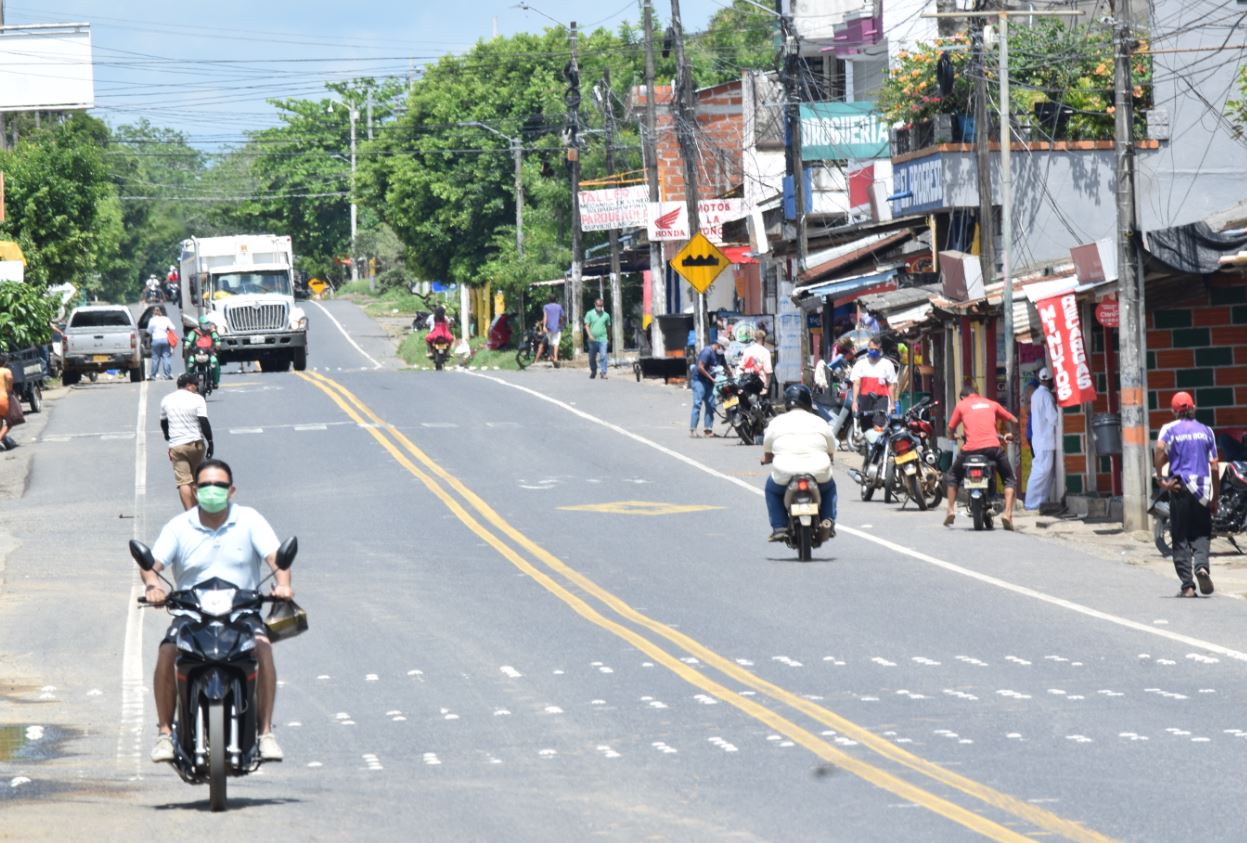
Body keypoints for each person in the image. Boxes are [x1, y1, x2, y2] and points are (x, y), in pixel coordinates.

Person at [142, 459, 292, 763]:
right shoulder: (179, 526)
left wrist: (283, 585)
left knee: (263, 650)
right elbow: (151, 566)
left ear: (231, 490)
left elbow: (278, 560)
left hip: (241, 613)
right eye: (206, 486)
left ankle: (265, 733)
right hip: (191, 614)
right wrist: (152, 588)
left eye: (219, 486)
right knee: (167, 653)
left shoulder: (249, 520)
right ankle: (164, 734)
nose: (212, 491)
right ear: (195, 490)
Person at [1156, 392, 1220, 597]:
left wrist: (1161, 479)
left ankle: (1188, 586)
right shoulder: (1206, 431)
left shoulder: (1170, 430)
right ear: (1194, 408)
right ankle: (1201, 566)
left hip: (1179, 486)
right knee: (1202, 532)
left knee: (1180, 535)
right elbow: (1215, 467)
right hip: (1202, 488)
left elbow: (1159, 451)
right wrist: (1214, 497)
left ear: (1174, 411)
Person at [761, 384, 837, 543]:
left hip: (785, 472)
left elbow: (767, 446)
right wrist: (829, 456)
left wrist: (767, 458)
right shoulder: (820, 421)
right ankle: (828, 519)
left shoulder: (777, 422)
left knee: (772, 490)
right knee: (829, 488)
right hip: (819, 470)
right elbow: (831, 446)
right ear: (808, 402)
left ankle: (779, 527)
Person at [943, 384, 1020, 530]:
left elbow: (950, 428)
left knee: (953, 475)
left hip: (970, 450)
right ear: (977, 394)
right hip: (993, 448)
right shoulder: (992, 404)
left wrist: (952, 436)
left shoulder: (961, 405)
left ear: (963, 397)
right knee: (1009, 479)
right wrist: (1012, 434)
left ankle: (950, 510)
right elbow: (1014, 420)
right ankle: (1007, 514)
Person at [161, 373, 214, 510]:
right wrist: (210, 442)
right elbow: (204, 422)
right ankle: (202, 508)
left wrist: (169, 438)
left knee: (183, 481)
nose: (197, 387)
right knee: (199, 478)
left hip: (177, 446)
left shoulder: (166, 400)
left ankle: (190, 512)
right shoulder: (198, 399)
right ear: (189, 386)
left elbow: (164, 423)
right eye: (195, 385)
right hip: (196, 444)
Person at [1025, 367, 1060, 511]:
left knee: (1045, 473)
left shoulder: (1036, 395)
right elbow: (1053, 418)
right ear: (1050, 380)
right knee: (1041, 472)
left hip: (1039, 439)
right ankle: (1031, 503)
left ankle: (1039, 503)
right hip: (1045, 440)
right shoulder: (1046, 396)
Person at [850, 338, 897, 423]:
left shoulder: (887, 364)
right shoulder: (860, 364)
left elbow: (891, 385)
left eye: (876, 349)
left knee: (878, 426)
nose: (874, 351)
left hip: (881, 400)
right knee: (866, 426)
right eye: (871, 349)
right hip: (865, 399)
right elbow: (856, 384)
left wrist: (892, 404)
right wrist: (854, 402)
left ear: (881, 350)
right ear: (868, 349)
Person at [691, 338, 726, 437]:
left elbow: (725, 366)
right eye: (723, 348)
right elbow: (700, 367)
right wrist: (711, 378)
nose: (723, 350)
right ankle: (693, 429)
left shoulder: (720, 355)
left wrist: (732, 375)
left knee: (711, 405)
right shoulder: (707, 352)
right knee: (697, 404)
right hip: (699, 380)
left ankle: (708, 430)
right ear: (718, 345)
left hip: (710, 381)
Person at [183, 316, 221, 390]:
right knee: (190, 362)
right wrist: (187, 345)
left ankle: (215, 382)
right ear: (200, 324)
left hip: (209, 353)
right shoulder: (195, 332)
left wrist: (218, 343)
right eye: (204, 324)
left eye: (207, 324)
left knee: (214, 362)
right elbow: (189, 339)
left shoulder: (211, 331)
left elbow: (216, 339)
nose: (206, 325)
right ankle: (189, 382)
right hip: (196, 353)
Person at [147, 306, 177, 380]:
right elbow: (173, 328)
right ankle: (167, 374)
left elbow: (149, 331)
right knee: (166, 357)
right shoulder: (166, 319)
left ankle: (153, 375)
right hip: (165, 339)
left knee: (155, 358)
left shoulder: (152, 320)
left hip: (156, 340)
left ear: (153, 312)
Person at [584, 298, 611, 379]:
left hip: (603, 339)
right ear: (595, 304)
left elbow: (609, 327)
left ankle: (603, 372)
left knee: (603, 355)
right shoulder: (589, 314)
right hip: (592, 340)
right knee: (592, 357)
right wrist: (590, 336)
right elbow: (586, 326)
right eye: (598, 305)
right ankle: (593, 371)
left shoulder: (606, 315)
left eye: (601, 306)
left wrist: (609, 338)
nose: (599, 307)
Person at [540, 293, 564, 368]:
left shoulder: (546, 307)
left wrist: (544, 326)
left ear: (549, 300)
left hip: (549, 328)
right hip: (557, 328)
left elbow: (545, 317)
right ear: (556, 299)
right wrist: (561, 324)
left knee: (550, 343)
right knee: (556, 343)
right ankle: (556, 358)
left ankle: (551, 356)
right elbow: (562, 317)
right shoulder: (559, 307)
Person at [0, 353, 15, 451]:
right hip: (2, 399)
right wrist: (10, 389)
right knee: (10, 421)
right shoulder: (6, 371)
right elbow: (10, 380)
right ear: (5, 362)